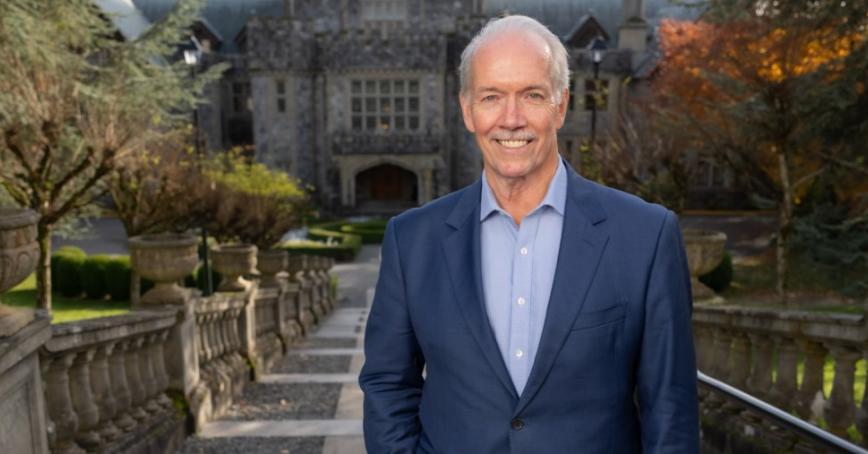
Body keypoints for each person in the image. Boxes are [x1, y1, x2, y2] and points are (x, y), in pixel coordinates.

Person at [359, 14, 699, 453]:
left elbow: (670, 410)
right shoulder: (411, 241)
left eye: (532, 95)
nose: (511, 119)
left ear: (561, 106)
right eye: (491, 97)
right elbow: (388, 384)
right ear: (467, 110)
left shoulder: (645, 236)